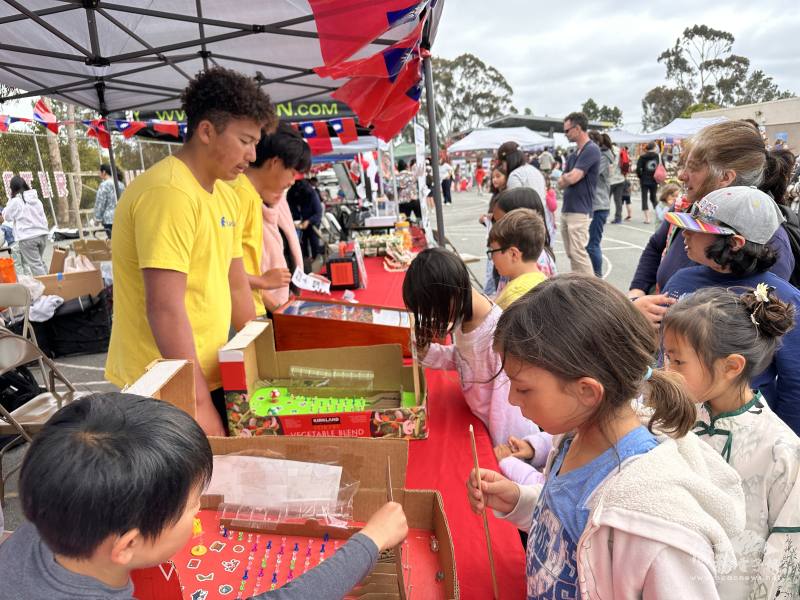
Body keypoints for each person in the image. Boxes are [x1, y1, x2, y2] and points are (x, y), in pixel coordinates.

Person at [467, 275, 746, 599]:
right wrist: (520, 500)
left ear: (587, 391)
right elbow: (573, 530)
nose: (513, 399)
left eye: (524, 387)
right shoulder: (572, 438)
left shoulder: (655, 526)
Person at [0, 393, 409, 600]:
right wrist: (369, 542)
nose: (201, 508)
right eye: (194, 503)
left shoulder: (51, 523)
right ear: (127, 544)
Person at [105, 67, 273, 437]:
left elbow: (236, 285)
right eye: (245, 140)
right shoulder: (169, 193)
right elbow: (164, 308)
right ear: (207, 131)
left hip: (207, 368)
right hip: (161, 381)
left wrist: (262, 364)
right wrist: (197, 405)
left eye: (256, 143)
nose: (252, 153)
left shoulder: (225, 194)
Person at [662, 286, 800, 599]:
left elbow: (787, 557)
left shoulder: (781, 450)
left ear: (731, 366)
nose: (666, 371)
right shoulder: (670, 420)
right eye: (666, 357)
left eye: (678, 361)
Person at [629, 120, 797, 326]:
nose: (681, 176)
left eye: (693, 168)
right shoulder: (687, 207)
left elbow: (750, 328)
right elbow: (656, 246)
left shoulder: (764, 237)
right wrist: (636, 295)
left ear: (725, 177)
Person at [662, 186, 800, 434]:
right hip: (679, 419)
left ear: (735, 243)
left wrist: (783, 439)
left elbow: (795, 383)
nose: (685, 234)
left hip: (746, 433)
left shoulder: (784, 298)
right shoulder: (680, 280)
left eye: (697, 229)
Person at [402, 248, 549, 461]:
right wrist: (429, 353)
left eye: (433, 312)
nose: (433, 319)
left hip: (507, 440)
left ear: (450, 297)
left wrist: (498, 453)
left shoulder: (495, 338)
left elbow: (506, 409)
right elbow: (463, 359)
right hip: (479, 420)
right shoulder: (465, 318)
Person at [229, 122, 307, 316]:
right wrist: (264, 284)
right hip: (249, 314)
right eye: (292, 171)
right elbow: (224, 270)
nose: (292, 181)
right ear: (275, 162)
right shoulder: (239, 195)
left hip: (258, 310)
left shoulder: (252, 196)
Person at [558, 112, 601, 275]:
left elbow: (573, 177)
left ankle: (591, 291)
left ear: (577, 128)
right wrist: (567, 177)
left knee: (578, 254)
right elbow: (562, 182)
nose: (566, 134)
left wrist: (567, 177)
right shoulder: (573, 154)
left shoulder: (591, 150)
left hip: (580, 210)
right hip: (568, 209)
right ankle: (580, 285)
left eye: (567, 130)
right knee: (572, 254)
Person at [488, 208, 547, 309]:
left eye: (493, 251)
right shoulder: (544, 281)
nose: (491, 258)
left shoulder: (512, 297)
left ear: (513, 254)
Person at [491, 187, 557, 278]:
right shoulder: (513, 257)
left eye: (500, 222)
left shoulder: (533, 263)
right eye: (495, 222)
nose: (495, 228)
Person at [0, 176, 49, 276]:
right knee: (39, 262)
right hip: (43, 235)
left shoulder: (16, 201)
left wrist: (10, 200)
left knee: (35, 265)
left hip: (28, 238)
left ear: (13, 189)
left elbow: (6, 216)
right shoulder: (36, 200)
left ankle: (46, 288)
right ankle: (51, 283)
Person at [586, 131, 613, 277]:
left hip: (599, 205)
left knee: (592, 245)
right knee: (589, 245)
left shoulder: (603, 157)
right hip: (595, 205)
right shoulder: (603, 155)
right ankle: (593, 276)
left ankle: (597, 278)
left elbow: (591, 174)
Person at [287, 177, 323, 261]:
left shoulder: (311, 194)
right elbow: (289, 210)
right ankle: (304, 261)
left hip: (312, 224)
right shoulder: (291, 194)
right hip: (298, 225)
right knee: (301, 246)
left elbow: (318, 212)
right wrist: (293, 221)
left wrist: (309, 221)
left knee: (314, 243)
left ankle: (316, 259)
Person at [94, 164, 124, 239]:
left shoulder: (104, 185)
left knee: (112, 241)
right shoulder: (121, 184)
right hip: (121, 216)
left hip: (109, 219)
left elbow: (100, 203)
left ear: (104, 172)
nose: (99, 173)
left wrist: (97, 219)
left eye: (99, 171)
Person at [636, 142, 660, 224]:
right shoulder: (657, 156)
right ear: (654, 148)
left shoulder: (642, 157)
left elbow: (638, 169)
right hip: (654, 179)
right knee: (653, 197)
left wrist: (641, 176)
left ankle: (647, 218)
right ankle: (659, 214)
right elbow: (661, 166)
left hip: (644, 179)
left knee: (644, 198)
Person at [609, 144, 626, 224]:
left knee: (605, 199)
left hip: (610, 180)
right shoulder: (621, 150)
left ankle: (604, 216)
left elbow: (611, 166)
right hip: (620, 178)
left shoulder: (609, 151)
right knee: (618, 200)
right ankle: (618, 218)